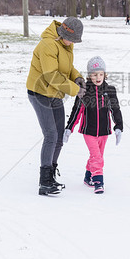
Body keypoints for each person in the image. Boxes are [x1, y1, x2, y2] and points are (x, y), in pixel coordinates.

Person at [26, 17, 86, 196]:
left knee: (59, 136)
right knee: (51, 135)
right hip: (40, 93)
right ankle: (44, 182)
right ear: (63, 33)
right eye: (72, 39)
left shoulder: (66, 45)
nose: (73, 43)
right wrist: (76, 90)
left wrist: (77, 77)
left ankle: (51, 175)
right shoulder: (48, 45)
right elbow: (51, 75)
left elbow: (67, 68)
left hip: (55, 93)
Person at [63, 56, 123, 194]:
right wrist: (69, 128)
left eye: (101, 74)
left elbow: (115, 110)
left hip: (104, 131)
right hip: (88, 131)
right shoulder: (84, 92)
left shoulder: (110, 91)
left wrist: (118, 126)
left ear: (105, 75)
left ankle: (88, 177)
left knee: (98, 155)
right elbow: (76, 111)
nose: (98, 77)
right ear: (89, 76)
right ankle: (98, 181)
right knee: (97, 157)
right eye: (95, 74)